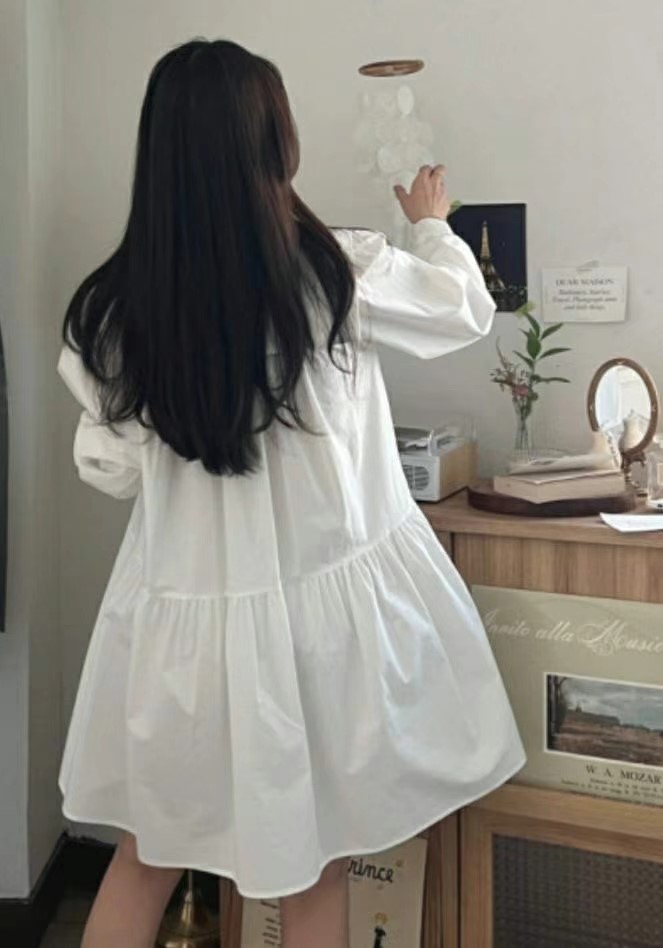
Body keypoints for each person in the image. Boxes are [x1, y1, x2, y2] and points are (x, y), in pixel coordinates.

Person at [58, 38, 525, 948]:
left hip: (183, 633)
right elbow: (461, 309)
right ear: (275, 143)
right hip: (322, 636)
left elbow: (107, 468)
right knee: (320, 861)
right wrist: (431, 223)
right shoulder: (333, 272)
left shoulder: (114, 312)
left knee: (146, 853)